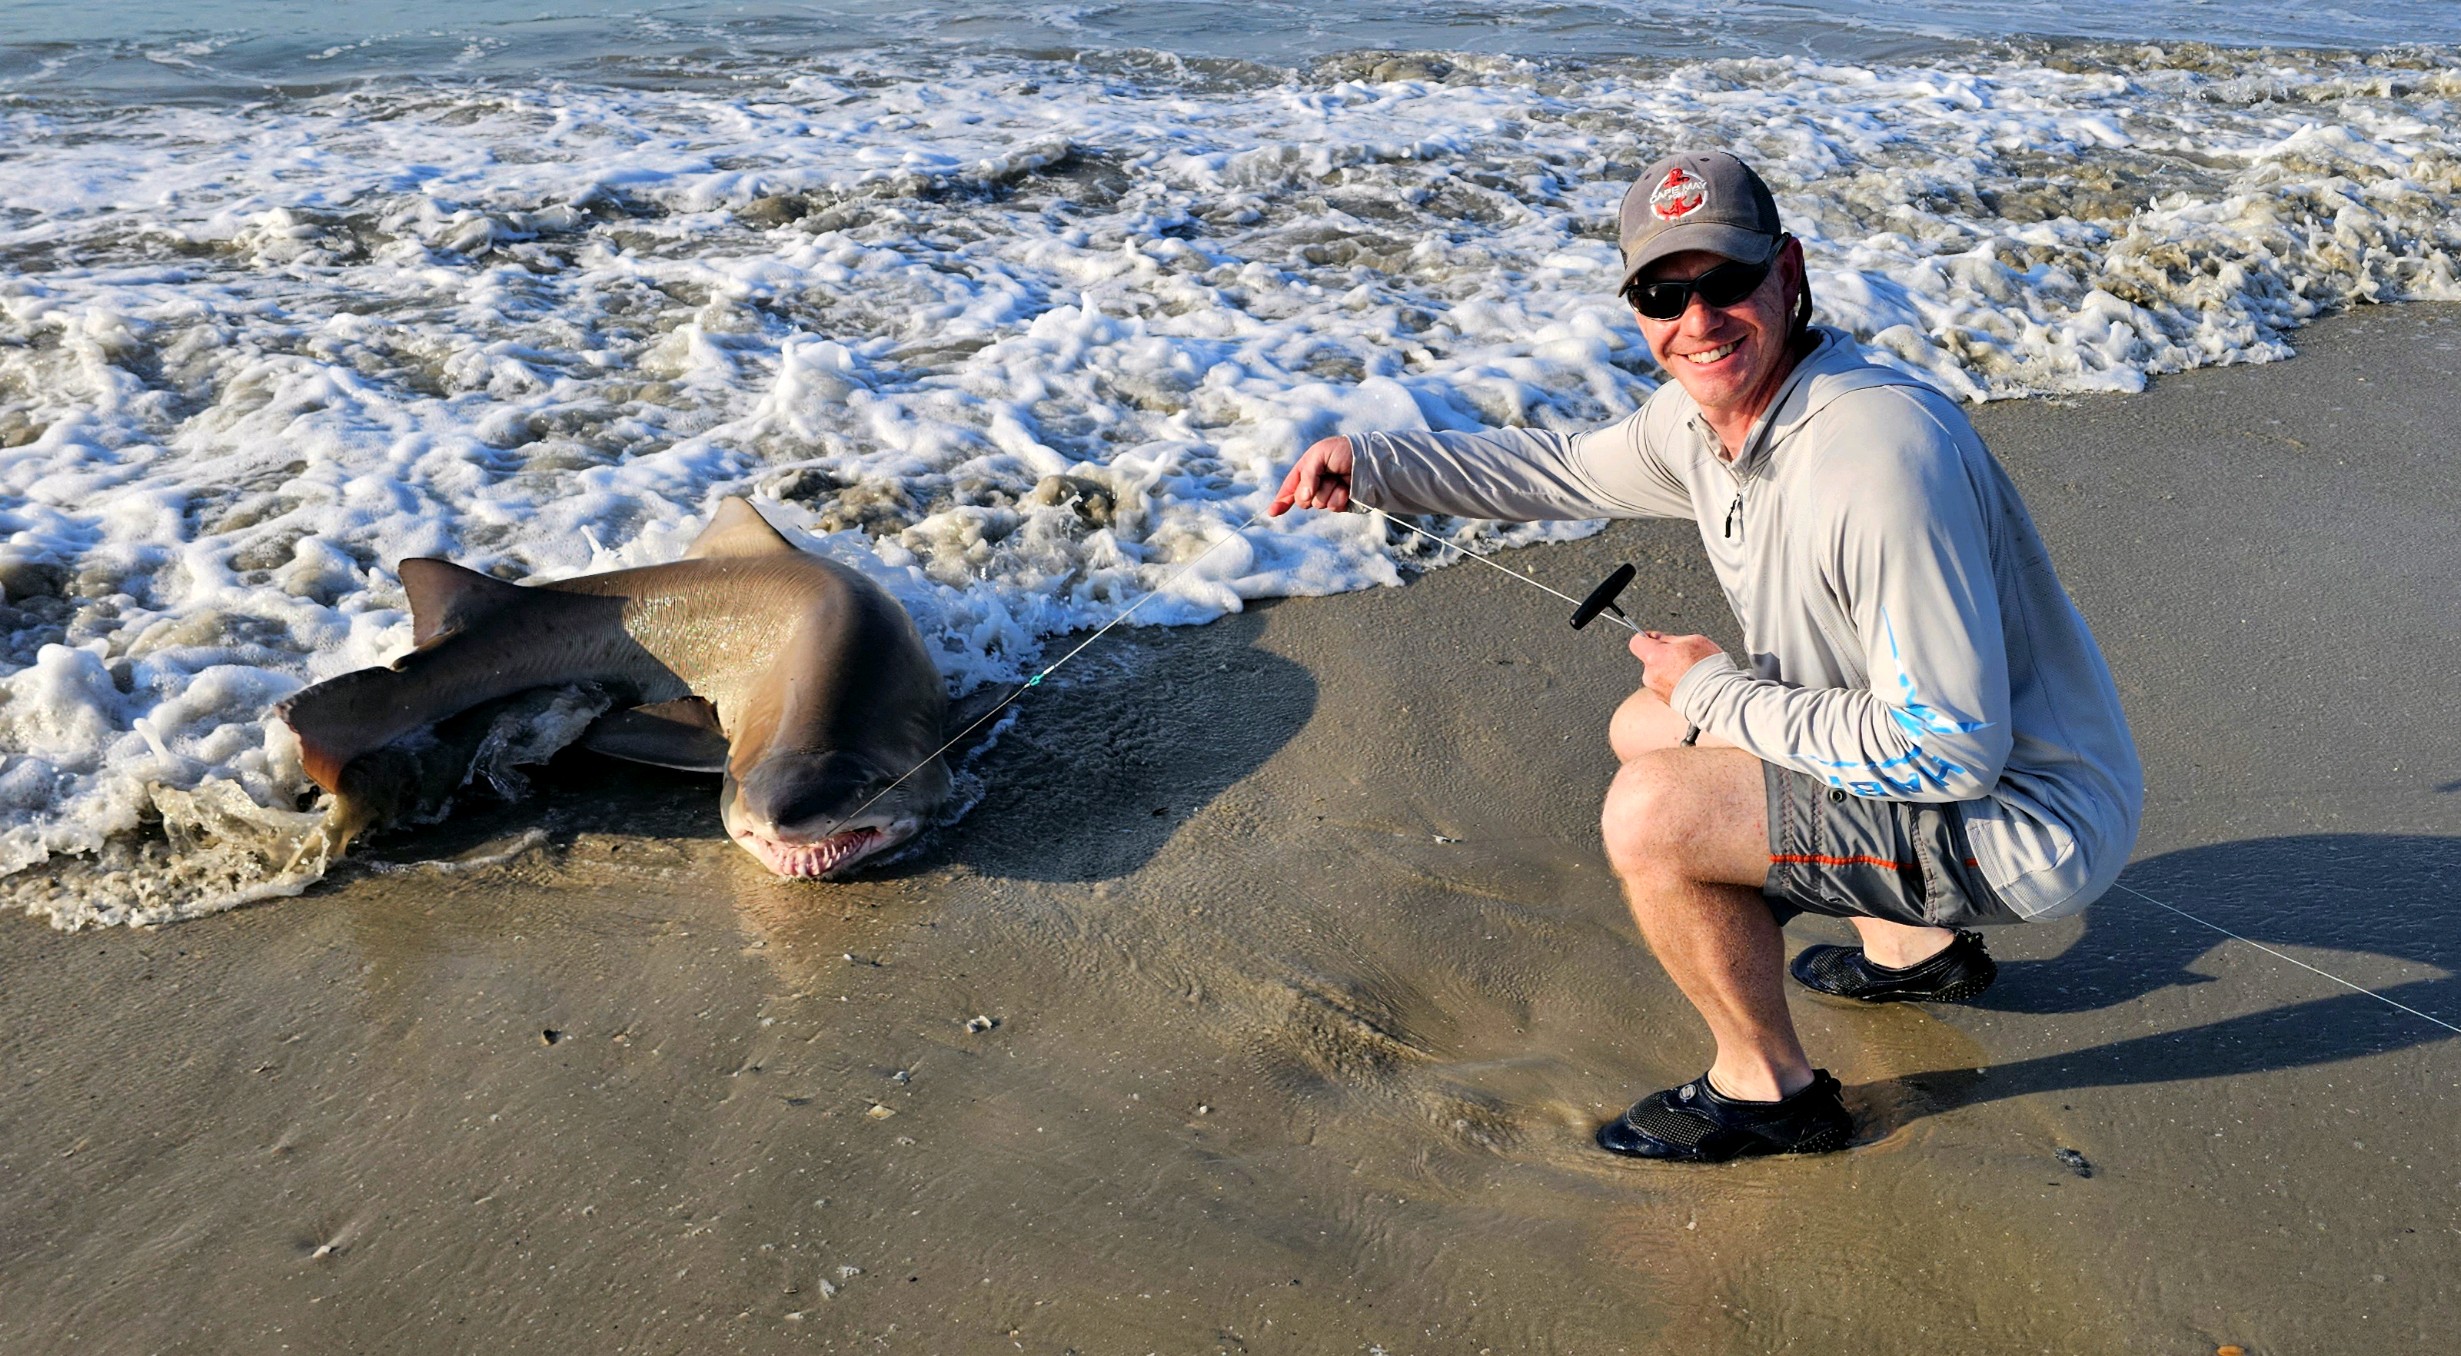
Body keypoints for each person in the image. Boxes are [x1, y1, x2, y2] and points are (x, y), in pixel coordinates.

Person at [1269, 150, 2142, 1163]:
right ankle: (1913, 948)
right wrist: (1376, 465)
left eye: (1725, 281)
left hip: (2028, 825)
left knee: (1652, 815)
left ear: (1787, 271)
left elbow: (1946, 754)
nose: (1696, 320)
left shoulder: (1871, 457)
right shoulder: (1704, 421)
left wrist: (1716, 692)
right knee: (1643, 727)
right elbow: (1557, 469)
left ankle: (1769, 1091)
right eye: (1661, 292)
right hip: (1937, 775)